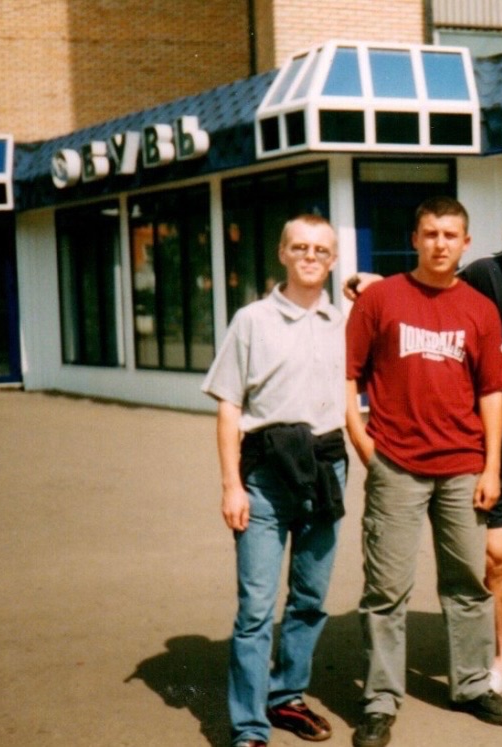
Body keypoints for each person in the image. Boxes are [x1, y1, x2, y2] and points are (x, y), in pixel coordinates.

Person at [345, 172, 502, 707]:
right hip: (493, 450)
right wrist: (374, 283)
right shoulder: (485, 274)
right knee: (492, 561)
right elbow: (431, 287)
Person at [344, 196, 502, 747]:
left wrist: (491, 467)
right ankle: (380, 700)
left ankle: (471, 685)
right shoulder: (380, 299)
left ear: (465, 243)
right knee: (386, 590)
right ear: (415, 239)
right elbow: (347, 375)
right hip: (395, 464)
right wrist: (363, 442)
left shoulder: (479, 309)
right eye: (430, 233)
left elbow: (492, 391)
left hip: (463, 466)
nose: (440, 244)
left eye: (450, 235)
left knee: (467, 584)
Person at [202, 214, 347, 747]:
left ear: (333, 260)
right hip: (264, 474)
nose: (310, 257)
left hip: (326, 468)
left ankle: (286, 697)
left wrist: (366, 284)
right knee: (256, 608)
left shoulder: (342, 320)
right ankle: (249, 725)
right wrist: (231, 485)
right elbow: (229, 406)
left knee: (310, 597)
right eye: (300, 247)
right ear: (283, 253)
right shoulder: (252, 320)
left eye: (321, 250)